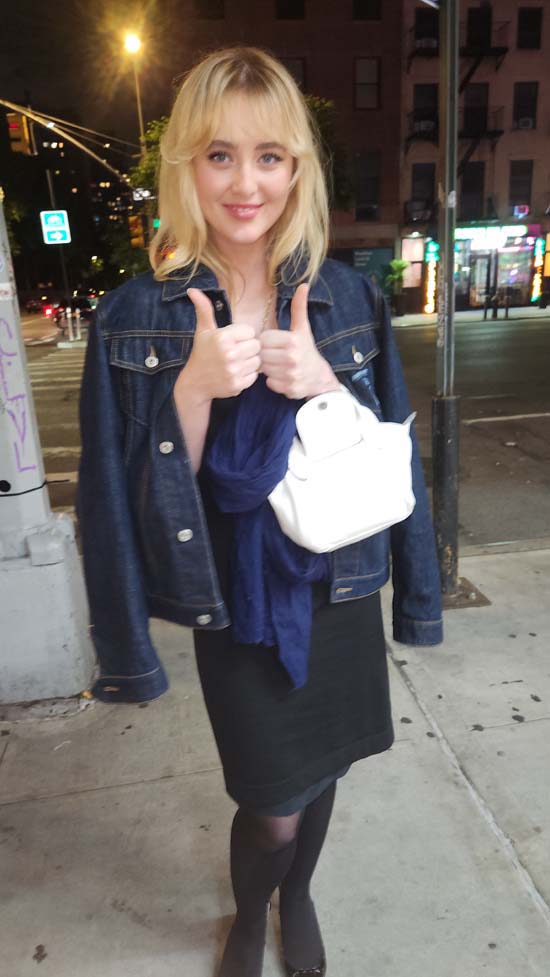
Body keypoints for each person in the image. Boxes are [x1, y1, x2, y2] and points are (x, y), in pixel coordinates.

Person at [77, 46, 443, 977]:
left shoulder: (349, 297)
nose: (248, 182)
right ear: (187, 168)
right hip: (233, 603)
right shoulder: (134, 318)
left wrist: (327, 384)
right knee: (271, 793)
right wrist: (192, 395)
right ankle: (254, 911)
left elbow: (387, 458)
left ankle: (299, 892)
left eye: (271, 156)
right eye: (221, 155)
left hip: (339, 585)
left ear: (298, 169)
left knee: (326, 767)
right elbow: (123, 508)